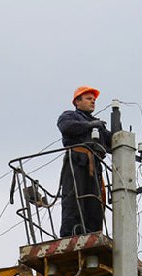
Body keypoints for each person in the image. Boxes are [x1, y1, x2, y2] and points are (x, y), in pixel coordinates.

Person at [57, 86, 112, 236]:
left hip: (94, 166)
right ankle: (70, 233)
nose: (93, 101)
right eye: (89, 98)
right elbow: (66, 126)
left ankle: (93, 233)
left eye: (94, 99)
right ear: (77, 102)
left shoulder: (98, 125)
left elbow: (112, 142)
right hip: (76, 162)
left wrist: (120, 135)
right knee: (73, 197)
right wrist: (89, 125)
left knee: (94, 201)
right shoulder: (69, 116)